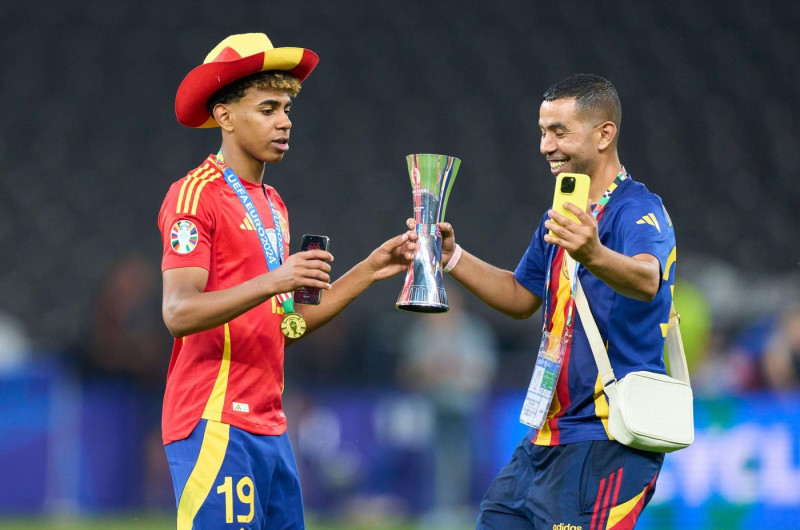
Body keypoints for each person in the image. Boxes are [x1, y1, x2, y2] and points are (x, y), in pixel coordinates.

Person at [159, 32, 417, 529]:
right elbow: (178, 313)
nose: (285, 122)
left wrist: (369, 269)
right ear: (225, 116)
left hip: (270, 425)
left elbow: (287, 326)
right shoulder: (194, 196)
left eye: (287, 109)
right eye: (268, 108)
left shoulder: (273, 205)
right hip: (215, 420)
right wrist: (274, 280)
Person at [421, 74, 677, 528]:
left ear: (604, 134)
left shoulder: (639, 208)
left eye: (560, 131)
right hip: (545, 437)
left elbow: (647, 279)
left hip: (606, 439)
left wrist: (593, 253)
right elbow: (522, 297)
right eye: (543, 131)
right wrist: (452, 257)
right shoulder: (559, 218)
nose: (546, 146)